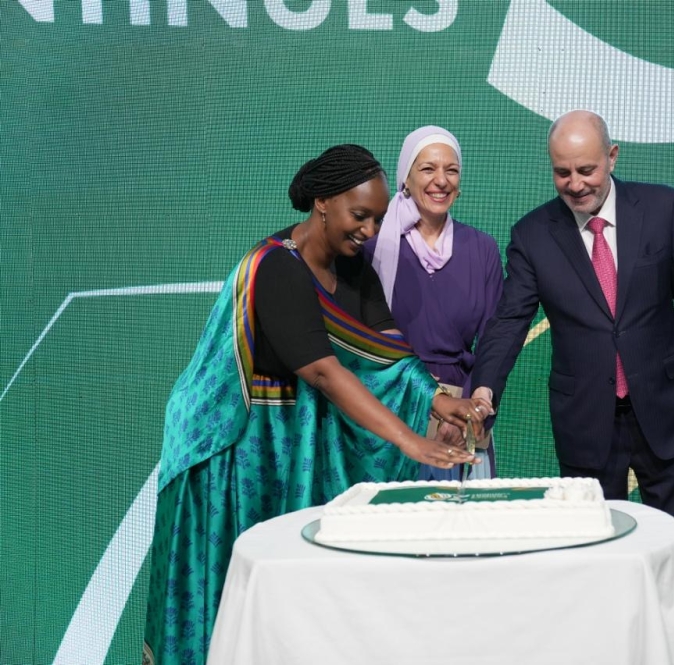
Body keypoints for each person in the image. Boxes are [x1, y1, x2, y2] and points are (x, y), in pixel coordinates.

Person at [143, 144, 483, 665]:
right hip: (239, 450)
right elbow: (325, 372)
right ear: (323, 203)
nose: (369, 231)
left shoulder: (355, 271)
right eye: (359, 216)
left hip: (295, 444)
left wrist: (442, 403)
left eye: (376, 218)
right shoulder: (276, 269)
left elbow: (391, 355)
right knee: (236, 597)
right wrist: (409, 439)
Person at [470, 110, 674, 661]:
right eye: (562, 172)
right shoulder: (533, 234)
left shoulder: (662, 209)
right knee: (594, 563)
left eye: (586, 169)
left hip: (666, 409)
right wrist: (484, 391)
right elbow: (510, 322)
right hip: (587, 422)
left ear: (612, 157)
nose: (575, 184)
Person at [367, 125, 503, 480]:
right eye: (428, 169)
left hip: (465, 420)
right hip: (390, 415)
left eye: (451, 170)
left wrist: (466, 416)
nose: (440, 180)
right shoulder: (372, 249)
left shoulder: (482, 249)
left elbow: (493, 343)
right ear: (405, 179)